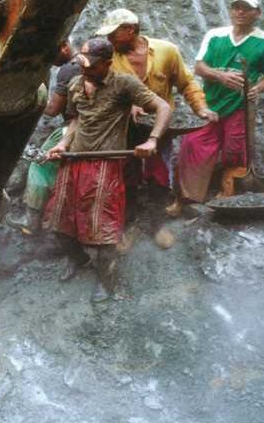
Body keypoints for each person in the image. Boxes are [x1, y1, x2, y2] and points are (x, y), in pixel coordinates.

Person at [45, 38, 171, 300]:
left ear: (106, 64)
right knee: (60, 223)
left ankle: (106, 280)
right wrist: (63, 143)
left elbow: (163, 107)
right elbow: (78, 119)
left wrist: (152, 140)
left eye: (91, 66)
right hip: (74, 160)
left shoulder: (123, 84)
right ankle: (78, 259)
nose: (85, 70)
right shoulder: (75, 83)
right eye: (82, 64)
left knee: (102, 230)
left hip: (105, 163)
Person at [95, 8, 219, 218]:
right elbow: (98, 88)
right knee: (126, 170)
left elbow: (186, 83)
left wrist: (200, 108)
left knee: (159, 170)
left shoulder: (166, 51)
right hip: (123, 126)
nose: (108, 38)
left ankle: (158, 219)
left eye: (113, 33)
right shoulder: (108, 58)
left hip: (160, 124)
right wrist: (126, 104)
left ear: (129, 30)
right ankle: (129, 217)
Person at [169, 0, 264, 213]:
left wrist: (257, 89)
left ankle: (228, 195)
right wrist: (221, 76)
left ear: (257, 13)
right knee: (192, 145)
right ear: (231, 10)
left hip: (240, 107)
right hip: (210, 104)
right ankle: (186, 198)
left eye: (247, 9)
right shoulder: (215, 36)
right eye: (237, 8)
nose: (240, 12)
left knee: (235, 150)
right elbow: (199, 67)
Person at [5, 40, 77, 234]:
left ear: (64, 47)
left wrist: (29, 101)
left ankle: (31, 221)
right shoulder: (89, 65)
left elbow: (53, 110)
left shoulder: (69, 70)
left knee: (40, 165)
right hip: (93, 126)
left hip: (76, 126)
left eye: (50, 56)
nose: (48, 62)